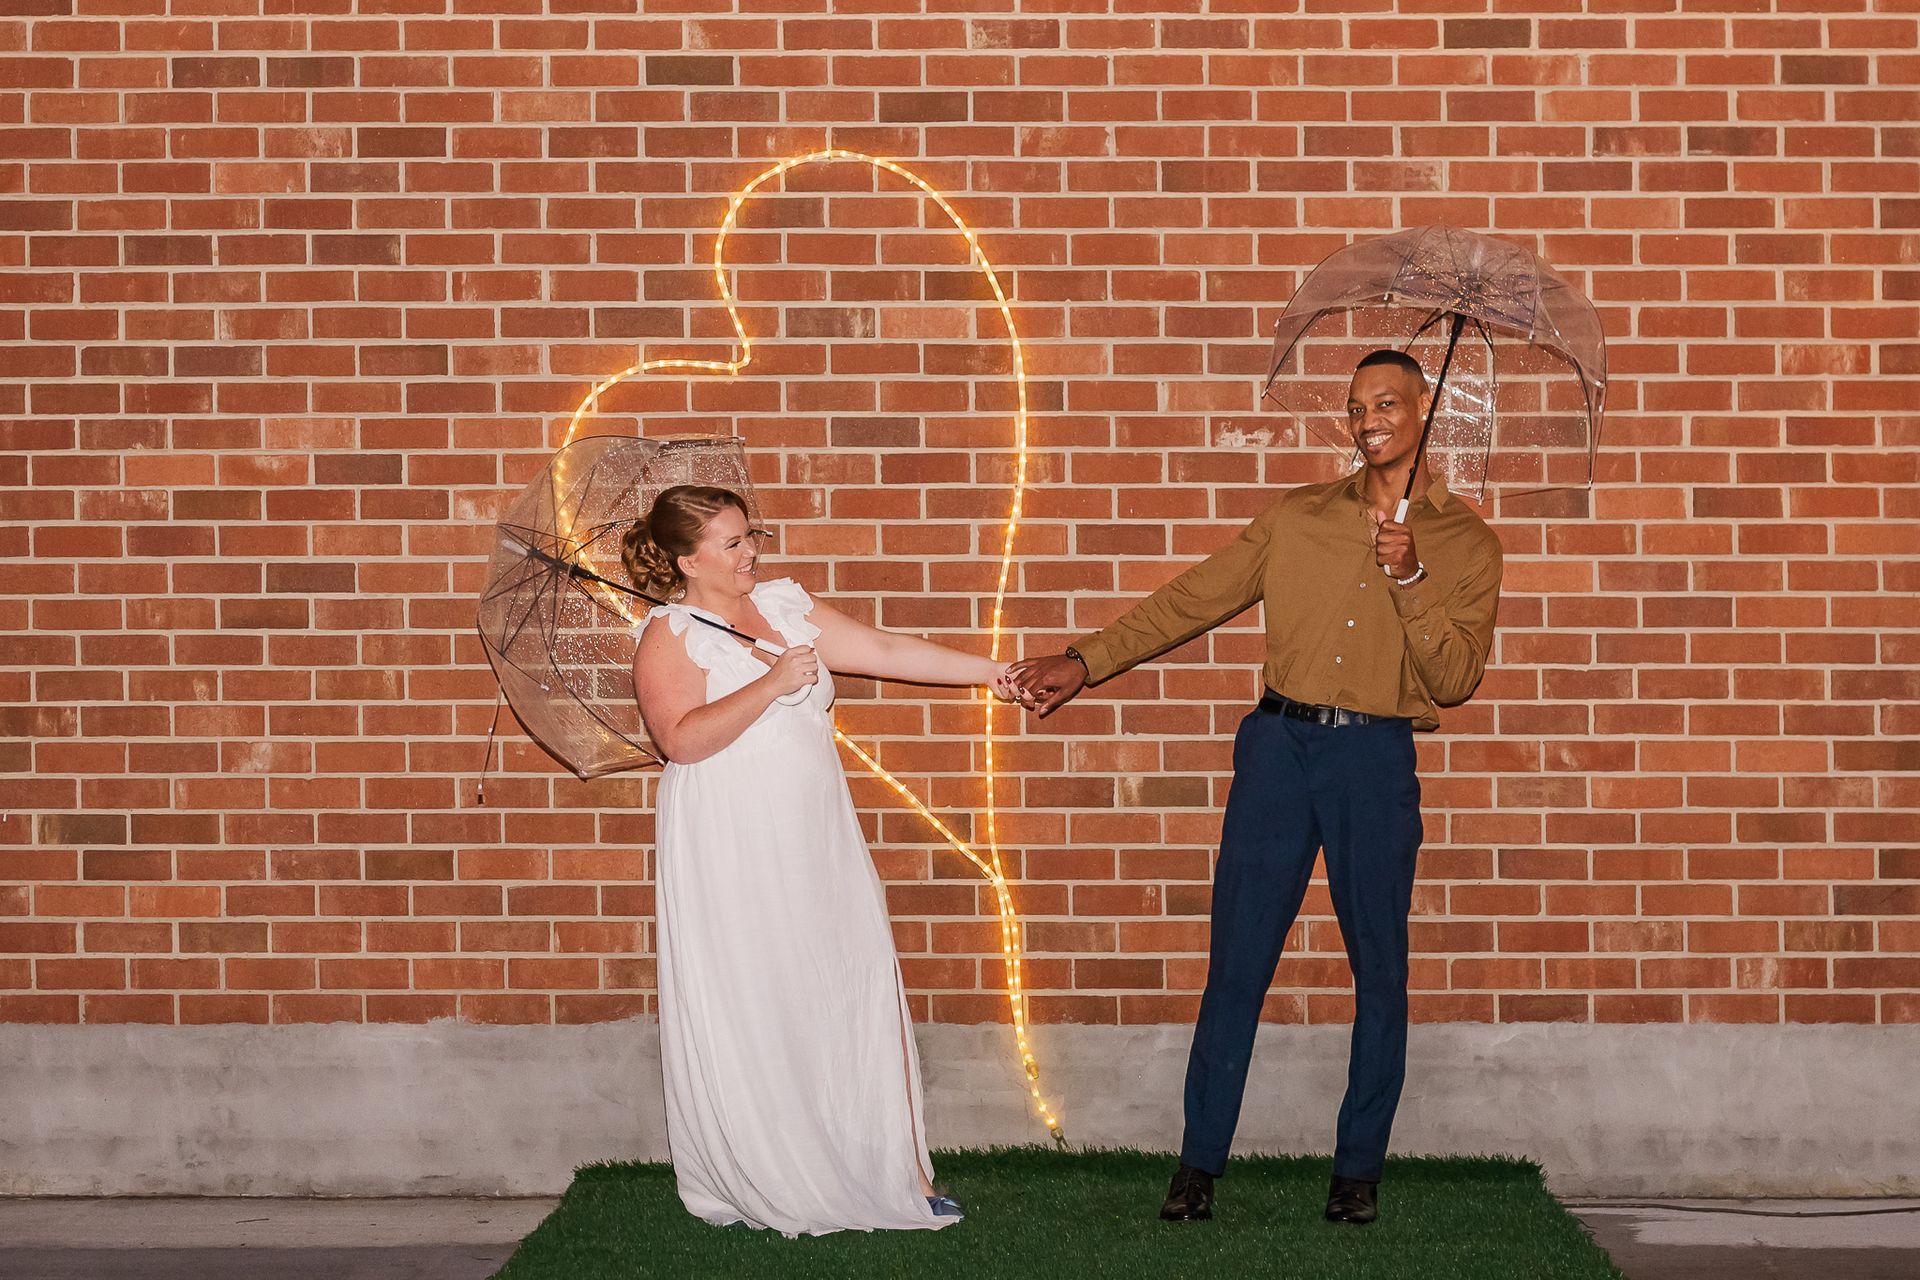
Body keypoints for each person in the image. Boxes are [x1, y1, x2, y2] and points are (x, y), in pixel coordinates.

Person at [1008, 349, 1503, 1227]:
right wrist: (1086, 660)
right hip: (1277, 750)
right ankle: (1198, 1166)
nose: (1369, 419)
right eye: (1356, 407)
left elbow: (1457, 676)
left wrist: (1412, 578)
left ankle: (1358, 1173)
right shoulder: (1299, 517)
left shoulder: (1468, 543)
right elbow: (1193, 598)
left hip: (1374, 759)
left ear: (1426, 410)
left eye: (1388, 402)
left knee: (1380, 970)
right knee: (1235, 963)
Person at [627, 483, 1016, 1237]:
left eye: (751, 536)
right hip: (731, 842)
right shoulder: (670, 636)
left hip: (814, 834)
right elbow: (680, 739)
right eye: (733, 543)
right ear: (686, 559)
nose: (752, 552)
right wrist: (773, 683)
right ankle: (776, 1170)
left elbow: (885, 650)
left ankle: (897, 1170)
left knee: (852, 974)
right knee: (760, 989)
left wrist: (993, 671)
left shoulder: (783, 606)